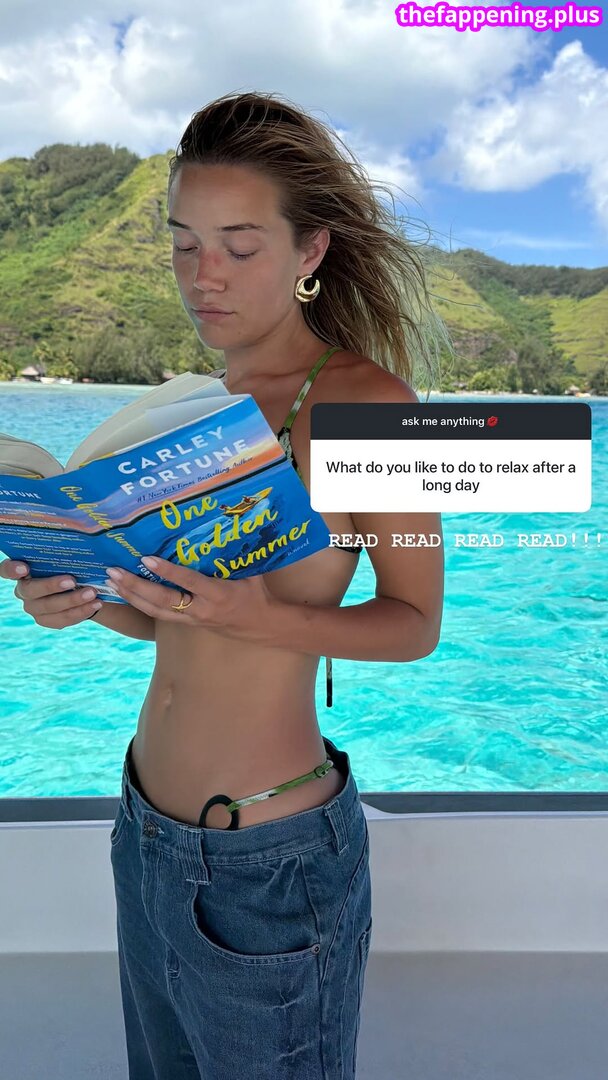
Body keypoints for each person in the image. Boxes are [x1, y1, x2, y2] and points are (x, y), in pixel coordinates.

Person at [1, 91, 445, 1079]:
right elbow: (173, 625)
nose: (204, 276)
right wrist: (79, 597)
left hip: (269, 858)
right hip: (144, 836)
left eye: (239, 247)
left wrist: (261, 613)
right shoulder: (189, 411)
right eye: (183, 244)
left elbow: (415, 623)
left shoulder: (368, 403)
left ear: (309, 250)